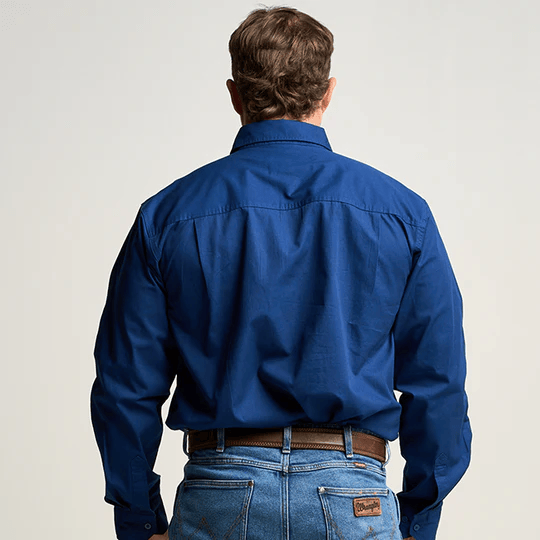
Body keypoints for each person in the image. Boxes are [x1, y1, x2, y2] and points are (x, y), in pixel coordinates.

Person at [90, 6, 471, 540]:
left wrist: (138, 519)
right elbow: (439, 383)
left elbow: (125, 385)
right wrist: (418, 519)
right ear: (328, 92)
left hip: (219, 493)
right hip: (353, 495)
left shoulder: (168, 216)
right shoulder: (403, 215)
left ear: (235, 95)